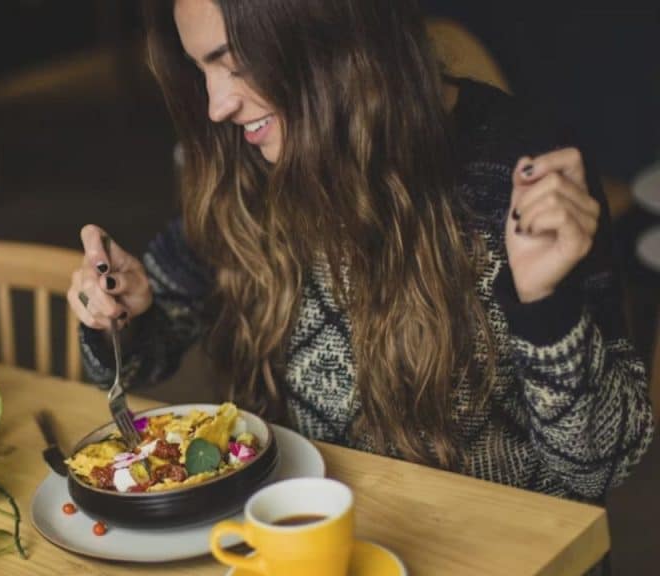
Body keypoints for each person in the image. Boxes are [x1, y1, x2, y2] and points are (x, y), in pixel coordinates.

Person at [66, 0, 653, 504]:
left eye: (234, 64)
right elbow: (141, 363)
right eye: (202, 70)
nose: (217, 104)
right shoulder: (243, 164)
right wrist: (122, 312)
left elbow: (599, 465)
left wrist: (544, 309)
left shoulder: (516, 168)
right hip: (305, 537)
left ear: (330, 36)